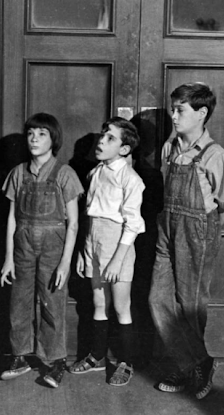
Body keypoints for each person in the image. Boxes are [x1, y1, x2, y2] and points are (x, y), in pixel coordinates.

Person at [148, 83, 224, 400]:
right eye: (172, 109)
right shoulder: (169, 149)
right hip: (167, 229)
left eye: (179, 110)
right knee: (158, 299)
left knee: (190, 305)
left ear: (201, 113)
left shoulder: (215, 155)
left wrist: (203, 233)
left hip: (197, 232)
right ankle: (197, 362)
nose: (173, 116)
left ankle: (187, 368)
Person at [0, 113, 84, 388]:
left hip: (53, 247)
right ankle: (20, 357)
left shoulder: (64, 174)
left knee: (52, 304)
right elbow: (12, 218)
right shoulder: (18, 173)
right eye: (30, 134)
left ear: (53, 139)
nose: (34, 139)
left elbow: (73, 224)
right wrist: (8, 258)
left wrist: (65, 263)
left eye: (41, 134)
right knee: (19, 302)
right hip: (22, 245)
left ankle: (55, 361)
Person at [71, 117, 145, 387]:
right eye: (103, 135)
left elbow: (133, 223)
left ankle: (126, 362)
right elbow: (90, 215)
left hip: (118, 246)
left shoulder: (130, 179)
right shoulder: (96, 172)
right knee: (99, 303)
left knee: (121, 307)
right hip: (94, 241)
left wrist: (117, 260)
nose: (101, 141)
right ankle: (97, 355)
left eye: (110, 138)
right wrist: (85, 251)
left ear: (124, 149)